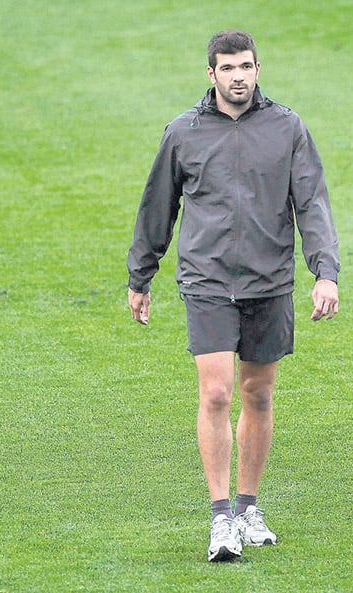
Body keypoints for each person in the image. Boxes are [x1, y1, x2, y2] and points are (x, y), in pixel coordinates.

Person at [127, 30, 340, 562]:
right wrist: (140, 276)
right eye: (228, 68)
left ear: (258, 68)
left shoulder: (287, 128)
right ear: (211, 75)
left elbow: (311, 202)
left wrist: (325, 271)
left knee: (258, 394)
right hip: (208, 281)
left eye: (246, 66)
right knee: (217, 393)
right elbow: (158, 207)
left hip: (270, 280)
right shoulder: (184, 132)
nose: (239, 76)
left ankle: (249, 507)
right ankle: (221, 517)